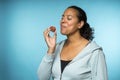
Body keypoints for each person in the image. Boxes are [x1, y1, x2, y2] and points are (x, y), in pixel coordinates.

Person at [37, 5, 108, 80]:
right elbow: (42, 78)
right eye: (62, 18)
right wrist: (51, 50)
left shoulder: (95, 52)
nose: (62, 21)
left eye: (69, 18)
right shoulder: (57, 47)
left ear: (80, 24)